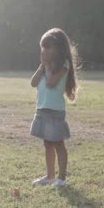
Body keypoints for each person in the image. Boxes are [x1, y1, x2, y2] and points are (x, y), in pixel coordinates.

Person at [30, 28, 79, 188]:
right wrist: (42, 66)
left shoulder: (63, 65)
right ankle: (50, 176)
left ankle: (62, 178)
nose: (44, 50)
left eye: (47, 47)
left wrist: (47, 66)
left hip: (55, 112)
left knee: (58, 143)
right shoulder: (45, 66)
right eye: (42, 47)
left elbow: (51, 83)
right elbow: (33, 82)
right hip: (42, 110)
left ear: (58, 48)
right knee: (47, 144)